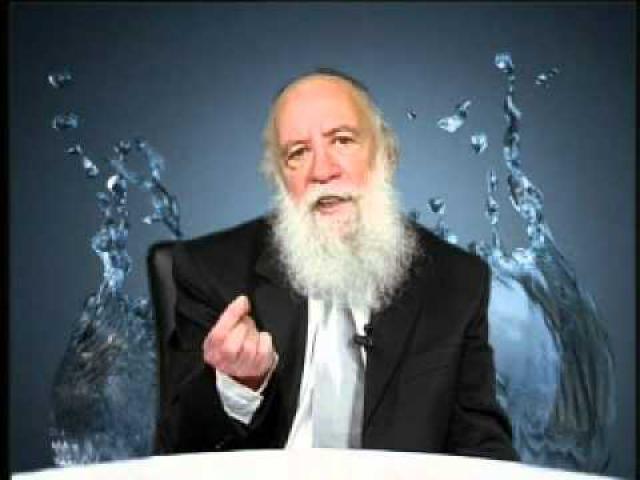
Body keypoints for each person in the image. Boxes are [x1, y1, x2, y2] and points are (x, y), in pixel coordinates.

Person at [155, 68, 518, 460]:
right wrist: (236, 385)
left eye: (342, 140)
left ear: (386, 155)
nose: (322, 171)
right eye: (297, 153)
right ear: (279, 179)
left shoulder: (457, 282)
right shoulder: (211, 271)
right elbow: (175, 449)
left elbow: (481, 447)